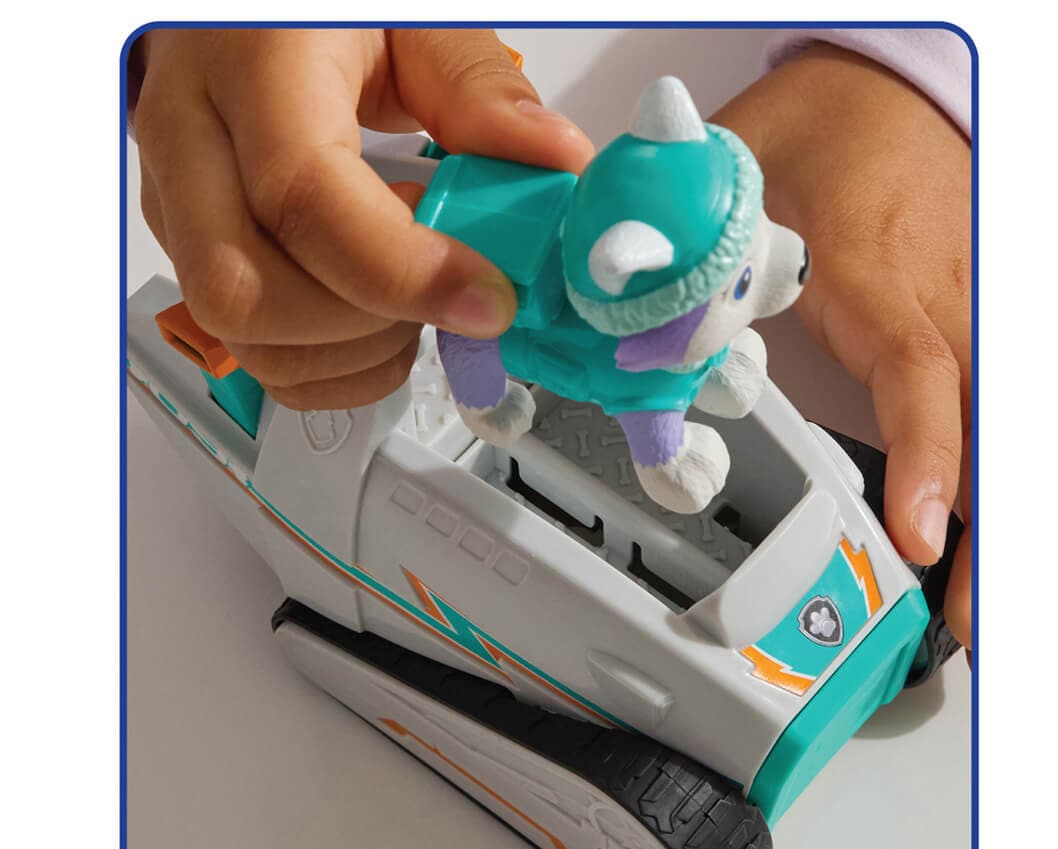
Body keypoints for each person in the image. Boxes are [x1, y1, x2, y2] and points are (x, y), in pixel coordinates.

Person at [129, 26, 971, 649]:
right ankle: (484, 405)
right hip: (474, 309)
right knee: (479, 356)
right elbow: (655, 439)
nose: (792, 263)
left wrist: (908, 63)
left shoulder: (657, 313)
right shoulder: (632, 352)